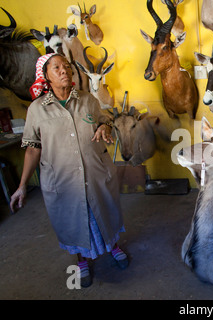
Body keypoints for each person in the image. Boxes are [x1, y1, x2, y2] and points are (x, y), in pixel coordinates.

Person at [10, 53, 128, 288]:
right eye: (57, 68)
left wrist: (104, 126)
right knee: (74, 222)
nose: (64, 70)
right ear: (45, 76)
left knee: (105, 212)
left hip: (95, 174)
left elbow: (105, 120)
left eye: (67, 66)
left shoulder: (88, 100)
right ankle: (81, 260)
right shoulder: (37, 110)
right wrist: (22, 185)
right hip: (63, 181)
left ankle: (113, 247)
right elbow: (33, 149)